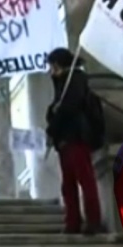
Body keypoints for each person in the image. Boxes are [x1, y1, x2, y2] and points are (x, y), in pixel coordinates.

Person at [45, 48, 105, 236]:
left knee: (85, 180)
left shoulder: (76, 80)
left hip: (76, 137)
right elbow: (56, 108)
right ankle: (73, 221)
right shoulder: (63, 84)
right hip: (64, 139)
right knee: (68, 184)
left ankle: (93, 220)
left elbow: (68, 107)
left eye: (53, 66)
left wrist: (53, 123)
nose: (51, 71)